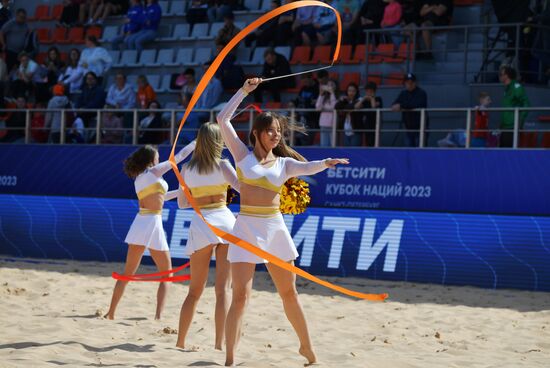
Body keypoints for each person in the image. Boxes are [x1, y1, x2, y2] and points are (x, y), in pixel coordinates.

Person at [217, 78, 349, 366]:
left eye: (278, 132)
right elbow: (222, 118)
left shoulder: (284, 163)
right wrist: (244, 91)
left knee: (289, 292)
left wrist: (327, 162)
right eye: (270, 131)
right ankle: (229, 358)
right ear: (257, 133)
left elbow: (307, 167)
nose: (276, 136)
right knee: (239, 296)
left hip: (274, 228)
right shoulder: (241, 155)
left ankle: (307, 348)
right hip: (246, 228)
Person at [104, 141, 196, 320]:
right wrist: (194, 144)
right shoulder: (152, 172)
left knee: (131, 272)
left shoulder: (144, 177)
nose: (159, 159)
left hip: (145, 221)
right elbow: (177, 159)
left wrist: (182, 191)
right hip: (150, 221)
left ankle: (113, 312)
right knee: (165, 273)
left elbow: (162, 196)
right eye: (157, 157)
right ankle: (156, 316)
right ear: (150, 159)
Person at [176, 122, 240, 351]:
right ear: (217, 142)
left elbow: (183, 204)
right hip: (225, 223)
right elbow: (242, 188)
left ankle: (180, 341)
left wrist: (190, 190)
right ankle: (218, 345)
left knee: (194, 290)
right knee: (223, 290)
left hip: (202, 224)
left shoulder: (186, 169)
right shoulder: (223, 165)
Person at [391, 73, 428, 147]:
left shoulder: (421, 93)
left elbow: (417, 104)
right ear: (405, 83)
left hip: (420, 128)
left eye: (411, 82)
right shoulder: (403, 93)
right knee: (409, 150)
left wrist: (401, 105)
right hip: (408, 128)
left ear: (415, 83)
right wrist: (395, 106)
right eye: (407, 82)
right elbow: (394, 104)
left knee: (420, 150)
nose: (409, 84)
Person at [498, 65, 530, 148]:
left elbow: (526, 104)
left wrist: (520, 121)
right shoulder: (507, 89)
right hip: (505, 127)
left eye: (501, 74)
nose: (499, 76)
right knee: (502, 151)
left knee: (508, 153)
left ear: (507, 75)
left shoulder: (517, 87)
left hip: (513, 126)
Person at [355, 82, 383, 146]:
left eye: (371, 91)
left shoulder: (378, 99)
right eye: (367, 91)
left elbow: (373, 107)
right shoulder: (364, 100)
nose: (369, 93)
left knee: (375, 142)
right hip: (366, 125)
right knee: (367, 142)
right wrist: (363, 99)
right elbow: (356, 107)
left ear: (374, 91)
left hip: (376, 125)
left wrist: (372, 98)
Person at [315, 79, 337, 147]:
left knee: (332, 144)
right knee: (324, 145)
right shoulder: (324, 97)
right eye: (328, 85)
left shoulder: (336, 96)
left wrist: (332, 93)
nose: (329, 87)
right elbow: (317, 107)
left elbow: (334, 106)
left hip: (332, 124)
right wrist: (321, 94)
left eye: (331, 85)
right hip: (323, 123)